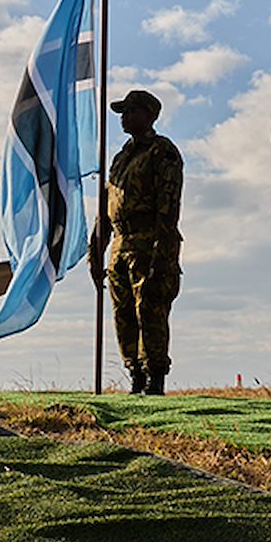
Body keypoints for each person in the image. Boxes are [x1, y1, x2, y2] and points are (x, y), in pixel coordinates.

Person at [89, 89, 183, 394]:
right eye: (122, 113)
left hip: (150, 242)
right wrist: (95, 254)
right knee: (123, 312)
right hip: (120, 244)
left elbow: (168, 206)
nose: (124, 118)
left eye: (131, 111)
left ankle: (154, 376)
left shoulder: (162, 151)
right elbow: (106, 208)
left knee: (150, 310)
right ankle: (135, 375)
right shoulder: (120, 159)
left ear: (149, 115)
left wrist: (162, 252)